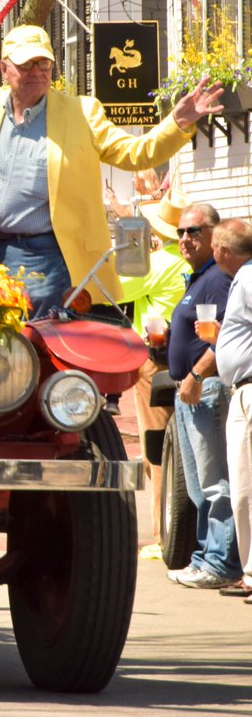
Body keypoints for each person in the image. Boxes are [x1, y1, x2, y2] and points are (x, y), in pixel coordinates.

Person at [0, 24, 221, 316]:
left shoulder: (82, 112)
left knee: (38, 352)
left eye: (44, 63)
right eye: (26, 63)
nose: (37, 71)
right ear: (4, 68)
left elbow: (135, 154)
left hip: (46, 256)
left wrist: (176, 124)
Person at [164, 203, 239, 589]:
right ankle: (206, 556)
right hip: (188, 389)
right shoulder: (197, 278)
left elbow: (224, 336)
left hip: (204, 389)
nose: (184, 239)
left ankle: (220, 563)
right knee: (197, 487)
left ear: (215, 233)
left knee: (214, 482)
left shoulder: (218, 278)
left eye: (193, 231)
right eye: (180, 232)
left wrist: (195, 375)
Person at [118, 190, 192, 554]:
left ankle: (163, 533)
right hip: (190, 357)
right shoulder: (194, 263)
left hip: (154, 360)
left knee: (156, 446)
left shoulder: (158, 263)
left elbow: (117, 286)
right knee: (184, 446)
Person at [205, 219, 252, 598]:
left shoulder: (249, 277)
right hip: (240, 389)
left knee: (246, 488)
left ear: (222, 250)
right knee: (243, 489)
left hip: (249, 391)